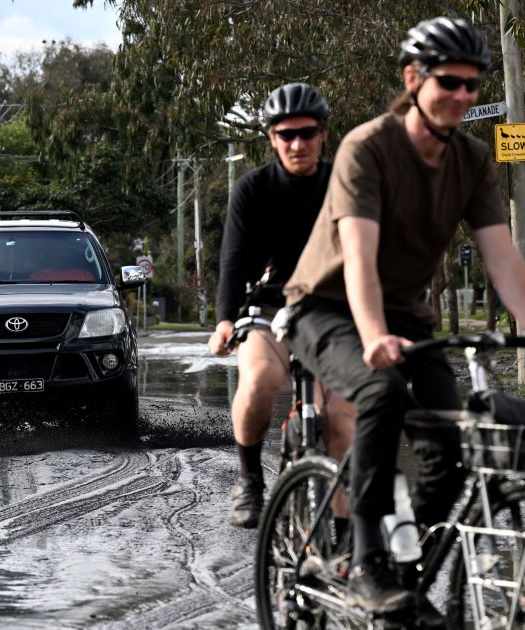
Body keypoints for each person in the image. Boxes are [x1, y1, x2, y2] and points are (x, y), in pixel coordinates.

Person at [281, 16, 525, 617]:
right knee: (382, 392)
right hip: (324, 307)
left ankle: (405, 567)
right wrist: (372, 338)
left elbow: (501, 253)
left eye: (473, 85)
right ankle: (364, 559)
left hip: (407, 316)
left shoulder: (471, 160)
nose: (464, 97)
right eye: (451, 81)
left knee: (451, 442)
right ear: (413, 78)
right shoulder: (367, 147)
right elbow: (360, 262)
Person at [206, 82, 352, 529]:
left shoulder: (343, 184)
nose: (297, 143)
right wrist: (225, 320)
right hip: (268, 309)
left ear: (323, 134)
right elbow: (233, 260)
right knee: (263, 379)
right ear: (271, 138)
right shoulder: (253, 189)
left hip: (334, 310)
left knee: (343, 424)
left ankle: (348, 545)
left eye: (307, 133)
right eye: (285, 134)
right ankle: (250, 480)